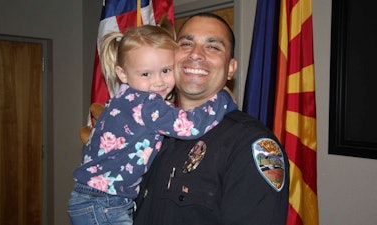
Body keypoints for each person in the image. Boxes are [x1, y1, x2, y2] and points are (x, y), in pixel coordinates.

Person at [67, 24, 237, 225]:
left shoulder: (124, 98)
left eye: (166, 70)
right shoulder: (147, 104)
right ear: (122, 74)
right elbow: (190, 125)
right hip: (105, 202)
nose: (158, 82)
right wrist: (222, 99)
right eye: (146, 74)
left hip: (93, 197)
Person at [133, 13, 289, 225]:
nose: (195, 54)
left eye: (213, 47)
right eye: (186, 44)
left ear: (231, 68)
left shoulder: (249, 144)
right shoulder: (152, 132)